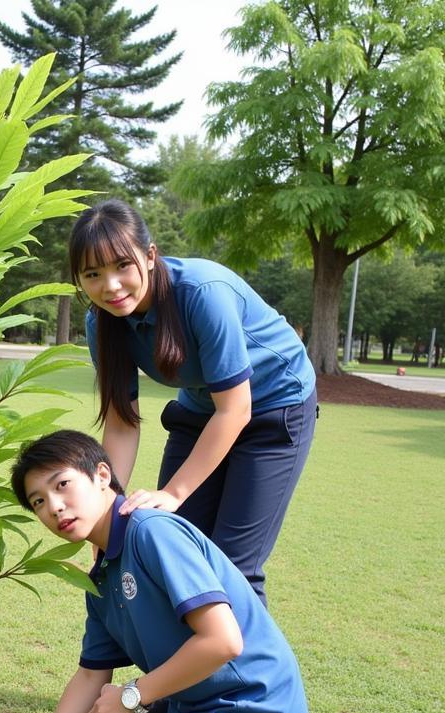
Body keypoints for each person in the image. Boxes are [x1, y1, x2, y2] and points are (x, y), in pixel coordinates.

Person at [0, 430, 328, 713]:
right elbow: (92, 674)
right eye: (37, 501)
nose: (53, 507)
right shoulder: (102, 570)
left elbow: (223, 641)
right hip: (193, 703)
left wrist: (133, 696)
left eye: (61, 485)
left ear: (102, 476)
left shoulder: (152, 533)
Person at [70, 199, 317, 605]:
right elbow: (121, 423)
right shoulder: (102, 323)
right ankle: (187, 666)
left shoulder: (203, 292)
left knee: (235, 568)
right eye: (93, 274)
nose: (110, 285)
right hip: (202, 412)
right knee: (177, 551)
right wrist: (106, 508)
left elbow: (236, 409)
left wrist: (174, 492)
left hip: (276, 407)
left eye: (121, 266)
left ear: (149, 257)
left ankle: (250, 669)